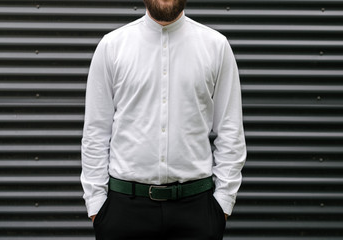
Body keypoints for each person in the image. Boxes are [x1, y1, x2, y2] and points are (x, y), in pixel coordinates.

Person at [81, 0, 246, 239]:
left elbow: (231, 130)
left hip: (197, 212)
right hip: (124, 212)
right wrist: (97, 204)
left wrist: (222, 202)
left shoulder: (216, 46)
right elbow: (95, 132)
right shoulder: (112, 46)